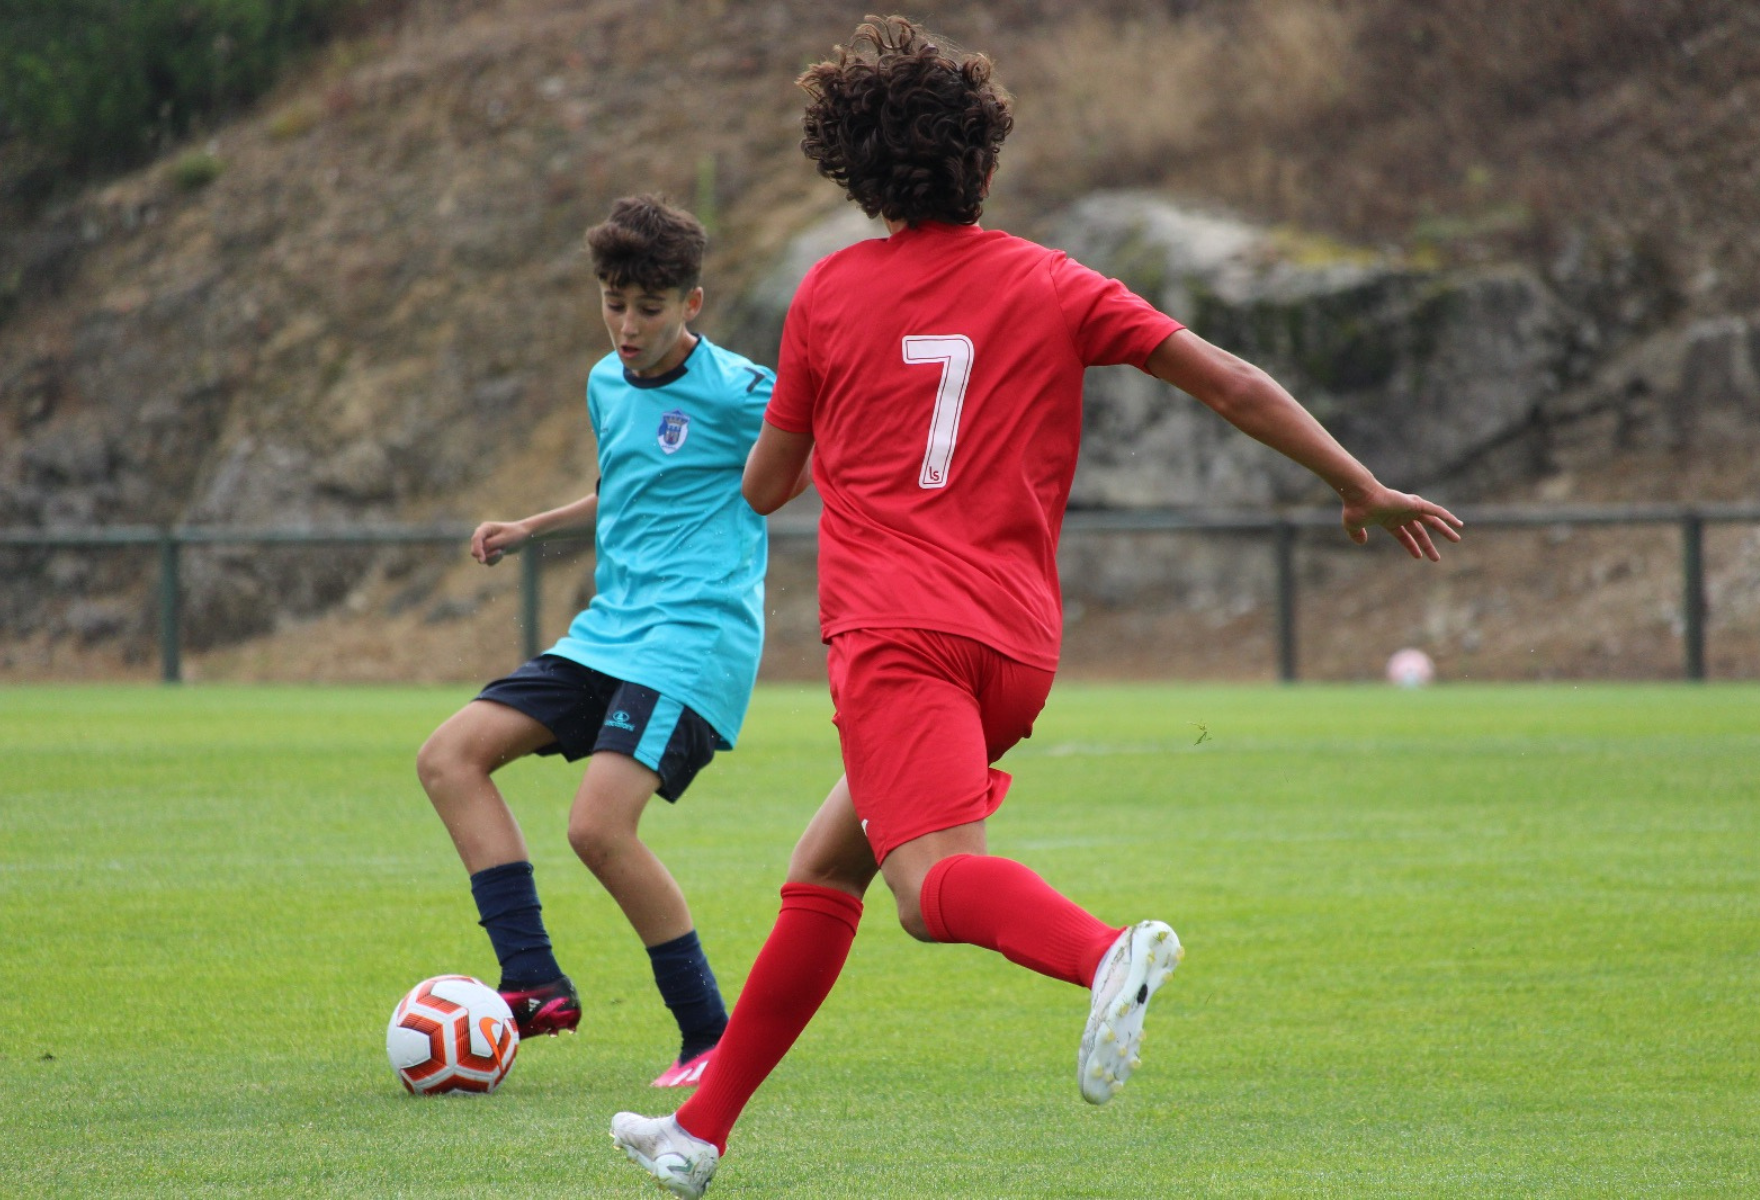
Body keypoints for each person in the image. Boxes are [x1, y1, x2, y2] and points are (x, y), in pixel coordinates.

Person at [611, 17, 1463, 1195]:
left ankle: (1108, 951)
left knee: (925, 892)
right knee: (827, 869)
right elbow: (1235, 382)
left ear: (854, 170)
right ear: (983, 163)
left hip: (896, 636)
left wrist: (784, 433)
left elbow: (767, 483)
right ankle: (700, 1130)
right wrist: (1356, 486)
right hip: (1013, 647)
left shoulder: (829, 294)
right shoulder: (1052, 281)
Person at [415, 194, 781, 1088]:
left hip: (694, 639)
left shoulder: (742, 392)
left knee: (597, 827)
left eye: (648, 309)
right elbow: (627, 488)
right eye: (613, 304)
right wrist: (531, 526)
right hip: (610, 632)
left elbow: (830, 442)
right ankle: (532, 980)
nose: (626, 326)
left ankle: (709, 1035)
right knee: (449, 757)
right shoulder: (603, 382)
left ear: (692, 303)